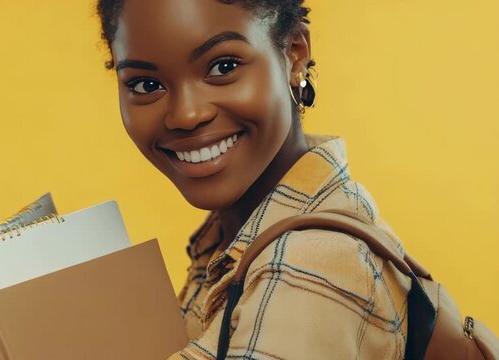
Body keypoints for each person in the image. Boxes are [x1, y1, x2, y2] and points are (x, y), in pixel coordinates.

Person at [96, 0, 411, 358]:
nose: (185, 114)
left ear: (294, 52)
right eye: (145, 84)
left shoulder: (305, 270)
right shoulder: (234, 241)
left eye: (223, 66)